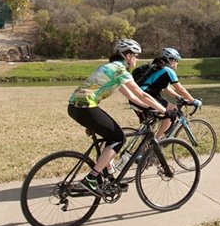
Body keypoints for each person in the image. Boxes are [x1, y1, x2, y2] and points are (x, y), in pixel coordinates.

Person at [67, 38, 171, 196]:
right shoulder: (119, 70)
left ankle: (109, 177)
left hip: (75, 107)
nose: (137, 59)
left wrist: (150, 108)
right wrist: (165, 110)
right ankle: (91, 179)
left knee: (111, 138)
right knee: (119, 138)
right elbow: (142, 94)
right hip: (85, 107)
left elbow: (133, 97)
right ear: (128, 56)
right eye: (136, 55)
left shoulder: (112, 68)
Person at [137, 47, 202, 139]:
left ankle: (150, 145)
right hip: (148, 96)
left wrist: (179, 97)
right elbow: (180, 89)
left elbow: (166, 88)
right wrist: (193, 100)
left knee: (168, 111)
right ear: (171, 60)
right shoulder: (168, 70)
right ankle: (157, 141)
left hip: (141, 96)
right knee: (170, 114)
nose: (177, 63)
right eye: (176, 60)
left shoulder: (159, 68)